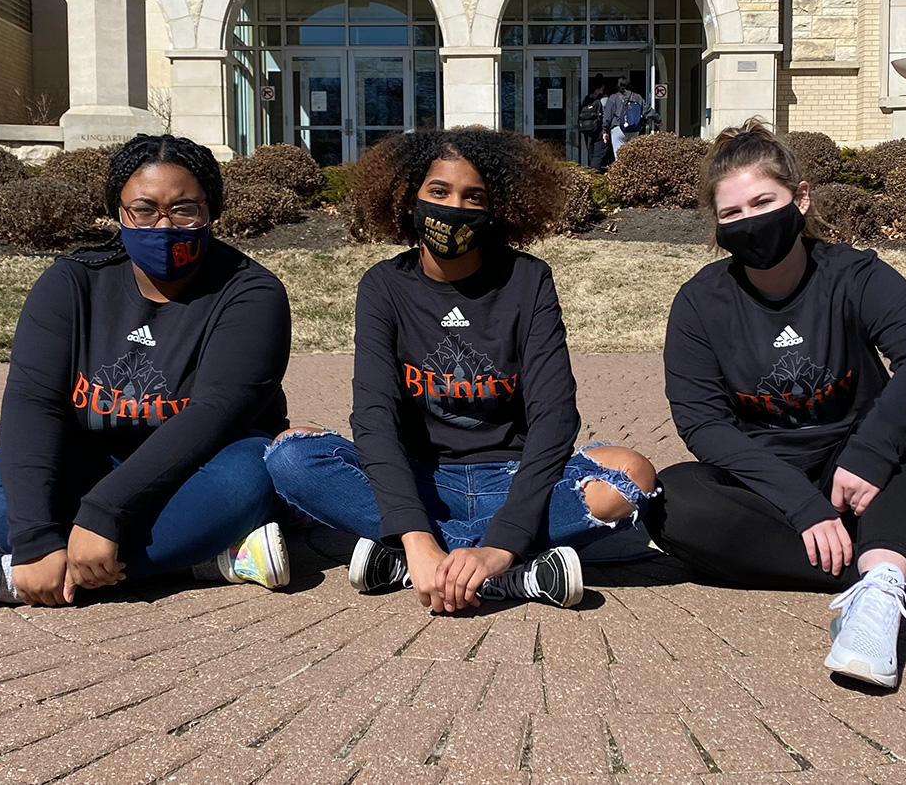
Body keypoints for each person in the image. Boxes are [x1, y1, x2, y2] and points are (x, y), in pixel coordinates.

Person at [647, 120, 906, 688]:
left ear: (802, 196)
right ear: (716, 228)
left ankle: (878, 599)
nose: (750, 222)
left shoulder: (856, 274)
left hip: (867, 481)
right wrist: (800, 504)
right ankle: (900, 569)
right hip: (769, 489)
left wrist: (868, 452)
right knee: (670, 502)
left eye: (764, 202)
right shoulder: (699, 303)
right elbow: (701, 421)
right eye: (731, 214)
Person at [0, 134, 294, 614]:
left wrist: (104, 515)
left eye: (185, 209)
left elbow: (214, 414)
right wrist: (37, 537)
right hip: (94, 459)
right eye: (143, 209)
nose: (163, 226)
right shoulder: (73, 281)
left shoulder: (252, 293)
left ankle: (1, 577)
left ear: (212, 210)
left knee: (254, 475)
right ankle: (207, 560)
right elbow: (32, 401)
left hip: (202, 464)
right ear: (118, 212)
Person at [265, 128, 657, 613]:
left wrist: (502, 540)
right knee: (289, 456)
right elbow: (373, 416)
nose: (455, 207)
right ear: (408, 199)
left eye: (474, 197)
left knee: (631, 474)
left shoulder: (528, 280)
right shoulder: (384, 286)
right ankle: (516, 574)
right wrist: (415, 533)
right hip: (421, 481)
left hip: (512, 481)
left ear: (497, 209)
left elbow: (554, 418)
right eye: (439, 191)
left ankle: (431, 567)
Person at [602, 76, 651, 160]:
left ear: (617, 85)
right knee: (632, 158)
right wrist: (658, 120)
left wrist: (605, 130)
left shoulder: (613, 98)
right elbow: (647, 110)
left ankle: (621, 172)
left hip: (618, 129)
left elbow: (607, 117)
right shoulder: (637, 97)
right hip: (634, 129)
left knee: (620, 158)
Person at [578, 76, 610, 171]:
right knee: (599, 155)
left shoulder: (587, 99)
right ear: (603, 87)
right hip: (599, 131)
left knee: (591, 154)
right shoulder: (604, 99)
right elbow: (607, 116)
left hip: (587, 130)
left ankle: (593, 172)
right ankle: (594, 176)